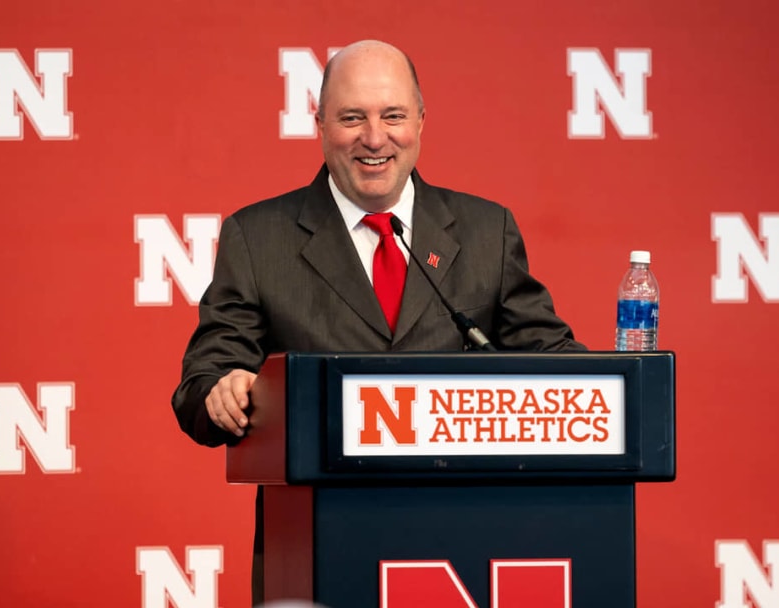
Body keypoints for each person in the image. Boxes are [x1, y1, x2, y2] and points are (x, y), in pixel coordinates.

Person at [171, 39, 586, 604]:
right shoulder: (257, 237)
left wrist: (618, 382)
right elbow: (202, 384)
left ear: (420, 120)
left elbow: (556, 365)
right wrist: (225, 392)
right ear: (319, 125)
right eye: (351, 118)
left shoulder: (488, 231)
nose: (374, 138)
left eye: (392, 115)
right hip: (318, 553)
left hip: (470, 549)